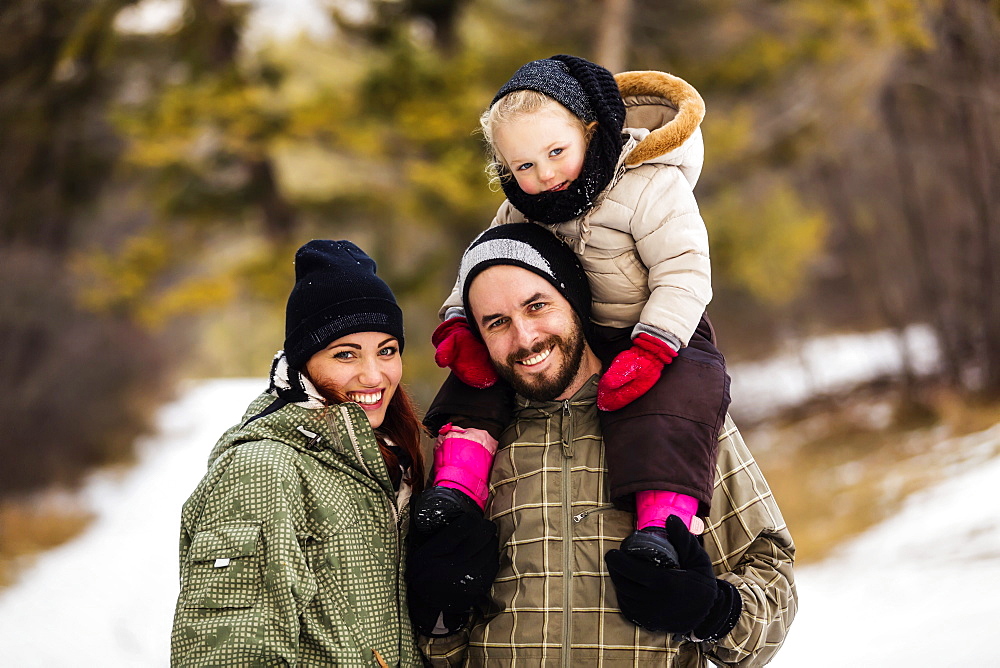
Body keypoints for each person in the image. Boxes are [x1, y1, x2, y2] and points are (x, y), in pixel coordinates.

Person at [409, 223, 796, 666]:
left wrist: (713, 612)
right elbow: (434, 646)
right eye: (497, 323)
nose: (525, 337)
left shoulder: (678, 422)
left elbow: (773, 577)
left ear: (574, 301)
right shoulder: (459, 453)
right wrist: (439, 618)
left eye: (537, 306)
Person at [420, 54, 727, 568]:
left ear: (590, 130)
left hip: (658, 327)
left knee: (679, 399)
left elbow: (684, 271)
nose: (543, 175)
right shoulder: (524, 203)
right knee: (482, 375)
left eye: (556, 151)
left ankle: (662, 525)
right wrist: (461, 322)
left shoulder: (651, 185)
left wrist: (653, 347)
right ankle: (456, 487)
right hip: (568, 334)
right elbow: (483, 265)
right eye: (522, 166)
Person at [170, 240, 426, 666]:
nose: (374, 374)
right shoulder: (263, 468)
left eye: (387, 350)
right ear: (303, 363)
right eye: (345, 354)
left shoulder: (388, 460)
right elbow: (231, 649)